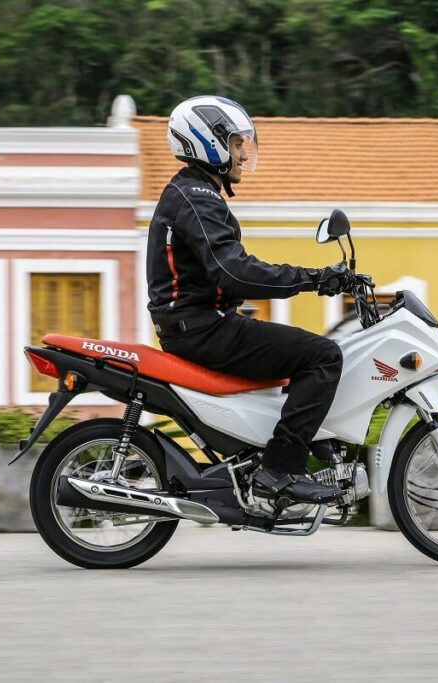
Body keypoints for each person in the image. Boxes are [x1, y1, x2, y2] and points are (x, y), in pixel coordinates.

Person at [146, 96, 355, 505]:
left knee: (300, 353)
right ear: (208, 142)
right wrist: (314, 278)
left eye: (244, 143)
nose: (243, 152)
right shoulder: (196, 197)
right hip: (202, 327)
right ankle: (279, 472)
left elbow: (228, 274)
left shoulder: (194, 192)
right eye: (236, 143)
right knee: (323, 356)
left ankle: (272, 456)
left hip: (199, 323)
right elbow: (234, 271)